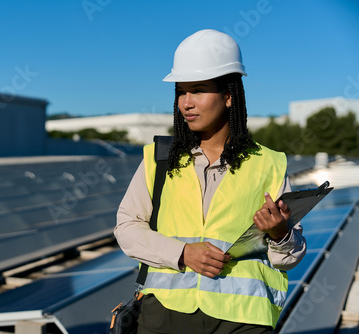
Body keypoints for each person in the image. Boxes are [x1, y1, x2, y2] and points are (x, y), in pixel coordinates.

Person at [114, 29, 306, 333]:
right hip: (165, 316)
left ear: (229, 96)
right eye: (181, 91)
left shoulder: (268, 163)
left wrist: (281, 234)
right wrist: (183, 253)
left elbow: (288, 258)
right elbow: (126, 228)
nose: (186, 103)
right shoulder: (159, 159)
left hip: (244, 318)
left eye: (198, 90)